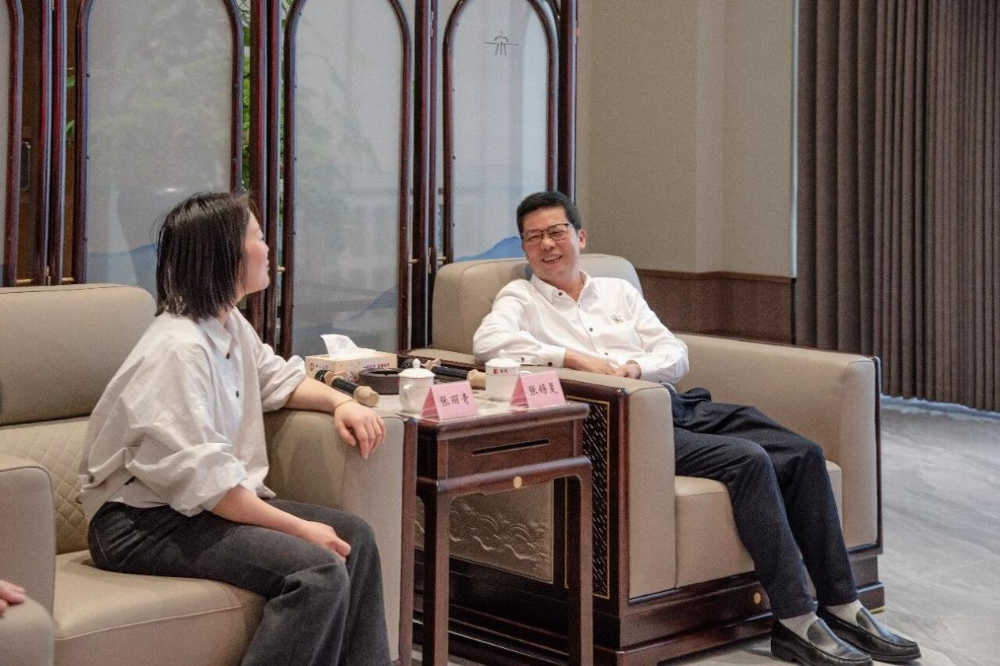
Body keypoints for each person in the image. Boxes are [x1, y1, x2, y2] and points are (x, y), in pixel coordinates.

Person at [473, 191, 920, 666]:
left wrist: (635, 368)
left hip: (675, 402)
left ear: (580, 237)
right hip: (624, 426)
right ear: (524, 248)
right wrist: (575, 359)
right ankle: (794, 620)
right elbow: (490, 344)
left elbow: (674, 353)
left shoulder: (618, 292)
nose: (547, 245)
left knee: (803, 452)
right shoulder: (521, 298)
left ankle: (843, 606)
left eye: (556, 232)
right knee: (747, 460)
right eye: (533, 238)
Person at [79, 191, 391, 666]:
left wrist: (340, 402)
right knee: (319, 570)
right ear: (226, 253)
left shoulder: (226, 324)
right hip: (138, 524)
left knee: (358, 538)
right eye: (258, 237)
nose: (268, 249)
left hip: (197, 508)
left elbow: (277, 379)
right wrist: (301, 529)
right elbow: (209, 484)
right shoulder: (178, 350)